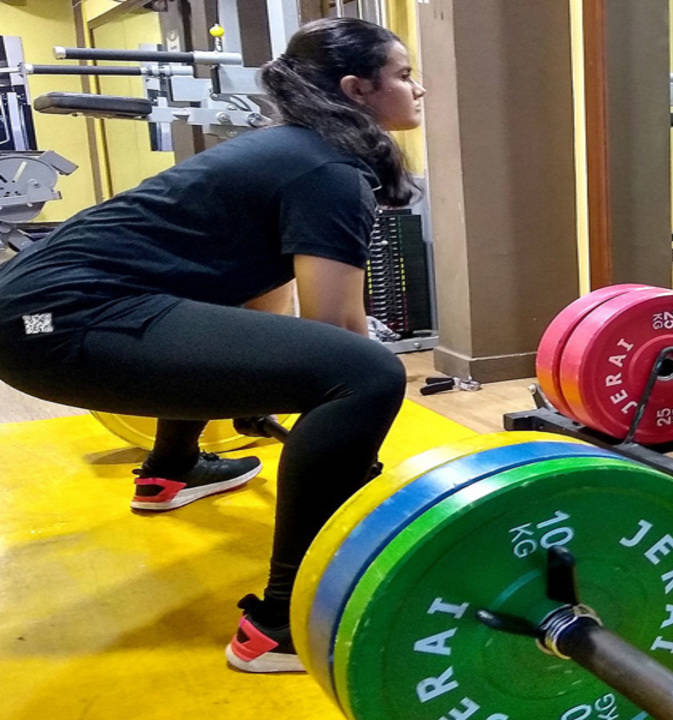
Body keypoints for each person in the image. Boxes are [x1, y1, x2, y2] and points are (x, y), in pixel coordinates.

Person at [0, 18, 425, 672]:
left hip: (30, 319)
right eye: (403, 74)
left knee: (221, 313)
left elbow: (255, 297)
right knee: (366, 373)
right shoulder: (330, 170)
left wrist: (266, 384)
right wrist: (355, 446)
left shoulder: (288, 147)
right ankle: (281, 625)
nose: (417, 89)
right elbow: (338, 330)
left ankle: (172, 472)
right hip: (56, 324)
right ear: (356, 88)